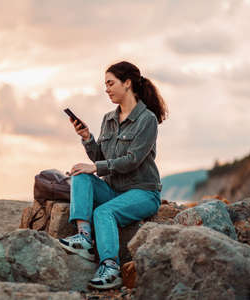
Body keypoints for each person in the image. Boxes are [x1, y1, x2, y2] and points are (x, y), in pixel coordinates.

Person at [58, 61, 168, 290]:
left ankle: (110, 268)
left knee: (103, 211)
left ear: (127, 83)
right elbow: (100, 156)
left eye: (110, 83)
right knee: (80, 174)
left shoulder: (146, 120)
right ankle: (85, 238)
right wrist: (87, 138)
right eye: (105, 84)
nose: (106, 89)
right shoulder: (108, 118)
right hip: (114, 190)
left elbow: (132, 160)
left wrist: (96, 167)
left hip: (142, 192)